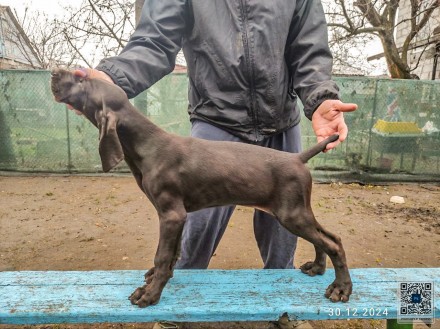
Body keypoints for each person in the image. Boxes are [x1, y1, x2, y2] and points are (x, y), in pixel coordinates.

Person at [73, 0, 357, 326]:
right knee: (192, 240)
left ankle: (282, 308)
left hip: (280, 124)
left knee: (286, 235)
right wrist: (111, 76)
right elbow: (154, 40)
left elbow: (309, 48)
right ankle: (177, 314)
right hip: (215, 125)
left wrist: (320, 96)